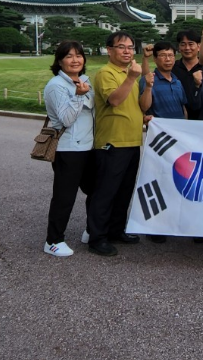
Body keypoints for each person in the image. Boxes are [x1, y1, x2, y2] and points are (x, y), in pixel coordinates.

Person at [87, 31, 146, 257]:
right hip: (112, 143)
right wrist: (131, 77)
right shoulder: (106, 73)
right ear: (109, 50)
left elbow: (133, 105)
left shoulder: (129, 73)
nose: (127, 51)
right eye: (121, 47)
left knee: (124, 191)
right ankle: (97, 237)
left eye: (130, 47)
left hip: (132, 141)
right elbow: (114, 100)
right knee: (105, 192)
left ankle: (116, 230)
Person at [42, 41, 95, 257]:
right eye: (69, 56)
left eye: (79, 55)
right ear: (60, 61)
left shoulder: (84, 80)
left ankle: (92, 230)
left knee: (96, 191)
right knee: (64, 196)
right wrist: (79, 95)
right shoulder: (56, 86)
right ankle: (53, 240)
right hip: (69, 149)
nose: (75, 60)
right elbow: (66, 119)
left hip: (89, 147)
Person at [139, 40, 188, 244]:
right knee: (158, 182)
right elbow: (144, 106)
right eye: (163, 56)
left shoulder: (177, 80)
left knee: (177, 181)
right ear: (156, 58)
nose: (168, 59)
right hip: (159, 141)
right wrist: (149, 87)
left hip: (178, 140)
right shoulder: (148, 79)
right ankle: (156, 226)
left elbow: (183, 108)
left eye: (170, 55)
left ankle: (175, 222)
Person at [171, 29, 203, 121]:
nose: (187, 48)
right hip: (177, 118)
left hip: (202, 119)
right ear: (179, 47)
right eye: (183, 44)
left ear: (199, 46)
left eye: (191, 44)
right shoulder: (172, 68)